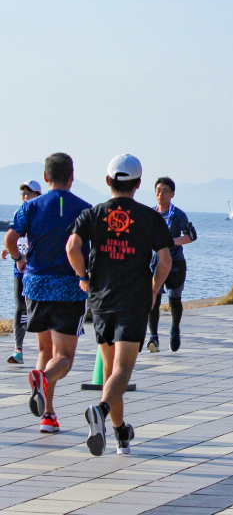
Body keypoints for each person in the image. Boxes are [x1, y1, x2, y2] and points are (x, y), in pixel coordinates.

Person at [67, 154, 173, 456]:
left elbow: (72, 247)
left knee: (112, 371)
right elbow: (164, 261)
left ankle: (120, 433)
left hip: (100, 300)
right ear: (139, 184)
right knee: (122, 371)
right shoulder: (149, 217)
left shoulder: (93, 214)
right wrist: (154, 290)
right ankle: (101, 410)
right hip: (134, 301)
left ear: (107, 181)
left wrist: (83, 277)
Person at [3, 154, 91, 434]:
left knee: (44, 350)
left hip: (36, 286)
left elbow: (10, 238)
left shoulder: (30, 207)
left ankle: (48, 415)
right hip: (70, 287)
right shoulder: (85, 209)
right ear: (72, 177)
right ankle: (42, 381)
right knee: (63, 357)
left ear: (45, 177)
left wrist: (19, 258)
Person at [146, 177, 197, 353]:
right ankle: (153, 337)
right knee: (153, 298)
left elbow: (191, 236)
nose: (160, 194)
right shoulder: (150, 214)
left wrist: (171, 242)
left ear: (172, 194)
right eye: (158, 190)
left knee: (174, 300)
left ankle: (175, 329)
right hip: (154, 264)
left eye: (165, 190)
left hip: (175, 263)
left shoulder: (178, 215)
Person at [2, 180, 42, 364]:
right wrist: (10, 251)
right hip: (20, 268)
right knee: (20, 307)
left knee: (38, 308)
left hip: (38, 269)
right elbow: (13, 238)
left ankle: (47, 347)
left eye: (29, 193)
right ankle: (18, 349)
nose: (25, 197)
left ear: (38, 196)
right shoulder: (19, 213)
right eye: (23, 194)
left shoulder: (42, 214)